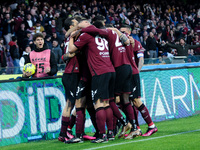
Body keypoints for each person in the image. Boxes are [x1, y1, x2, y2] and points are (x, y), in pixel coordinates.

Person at [68, 18, 115, 143]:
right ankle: (110, 133)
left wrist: (72, 37)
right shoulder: (102, 35)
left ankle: (102, 136)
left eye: (82, 23)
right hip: (110, 70)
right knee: (106, 103)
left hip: (99, 72)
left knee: (98, 104)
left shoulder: (86, 35)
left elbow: (71, 50)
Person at [119, 24, 158, 137]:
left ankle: (151, 126)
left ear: (129, 33)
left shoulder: (135, 43)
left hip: (132, 74)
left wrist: (137, 71)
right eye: (120, 31)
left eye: (124, 31)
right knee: (126, 101)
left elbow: (141, 59)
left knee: (136, 101)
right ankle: (136, 128)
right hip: (124, 75)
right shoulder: (119, 43)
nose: (121, 33)